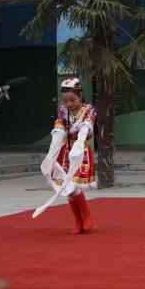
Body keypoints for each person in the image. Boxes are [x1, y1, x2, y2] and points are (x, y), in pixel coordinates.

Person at [40, 77, 96, 234]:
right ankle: (78, 220)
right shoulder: (63, 111)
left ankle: (86, 215)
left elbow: (87, 127)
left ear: (80, 95)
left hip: (81, 151)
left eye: (72, 100)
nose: (68, 104)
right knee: (67, 187)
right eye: (65, 101)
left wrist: (82, 133)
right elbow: (59, 126)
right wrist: (57, 136)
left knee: (74, 185)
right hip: (66, 153)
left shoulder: (89, 110)